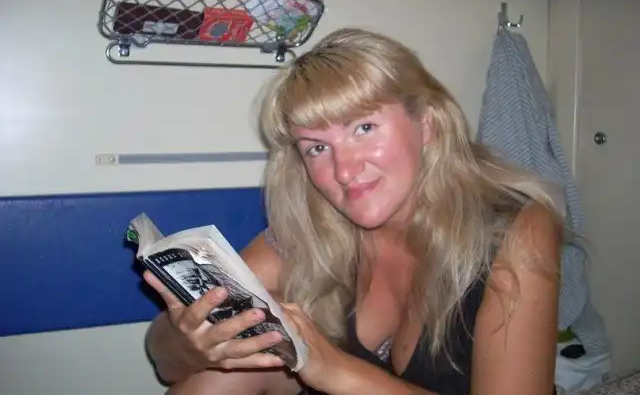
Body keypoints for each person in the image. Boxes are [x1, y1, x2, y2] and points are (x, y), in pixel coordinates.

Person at [143, 27, 563, 395]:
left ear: (427, 124)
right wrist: (190, 343)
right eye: (317, 148)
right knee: (217, 375)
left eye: (364, 128)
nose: (344, 171)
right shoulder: (309, 230)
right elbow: (165, 362)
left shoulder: (516, 229)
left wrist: (337, 371)